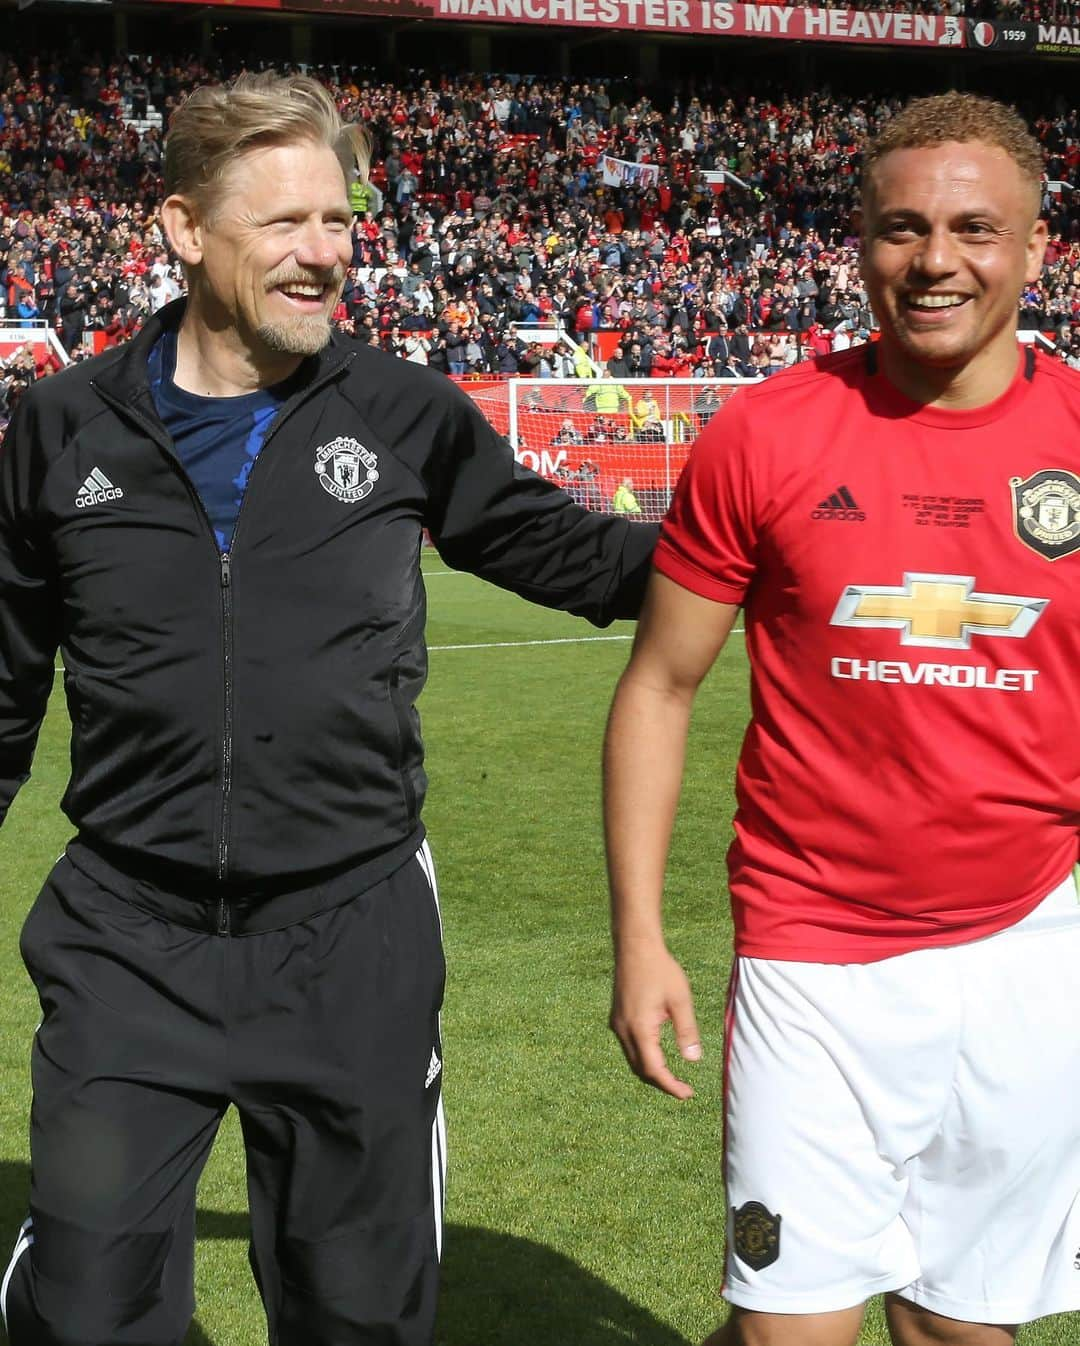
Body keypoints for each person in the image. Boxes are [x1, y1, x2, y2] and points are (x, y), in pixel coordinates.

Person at [0, 73, 656, 1346]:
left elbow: (573, 557)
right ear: (186, 229)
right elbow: (5, 672)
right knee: (83, 1312)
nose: (325, 255)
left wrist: (772, 540)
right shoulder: (61, 421)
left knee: (357, 1315)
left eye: (341, 222)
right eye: (286, 223)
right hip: (129, 937)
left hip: (348, 931)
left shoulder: (404, 411)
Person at [604, 92, 1080, 1346]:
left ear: (1037, 248)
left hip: (1031, 939)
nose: (937, 261)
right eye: (901, 228)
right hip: (813, 947)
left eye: (977, 228)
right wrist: (641, 936)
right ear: (859, 243)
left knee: (960, 1330)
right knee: (788, 1330)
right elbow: (660, 684)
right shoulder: (765, 432)